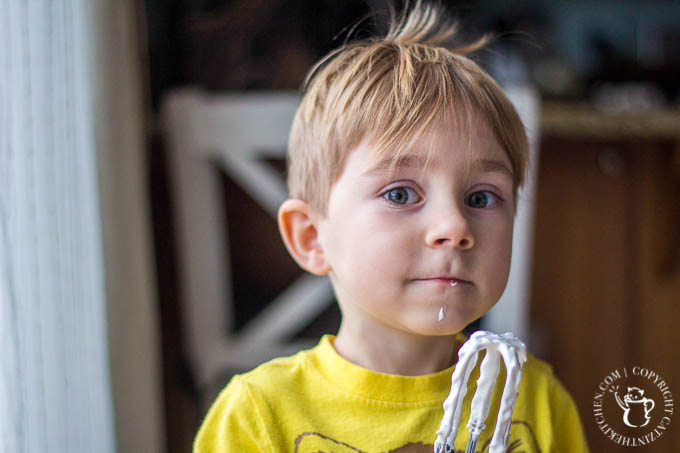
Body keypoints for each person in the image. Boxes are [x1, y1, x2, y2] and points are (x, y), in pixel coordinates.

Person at [194, 2, 590, 452]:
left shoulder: (536, 401)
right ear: (311, 237)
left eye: (481, 197)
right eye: (400, 194)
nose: (454, 225)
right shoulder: (258, 417)